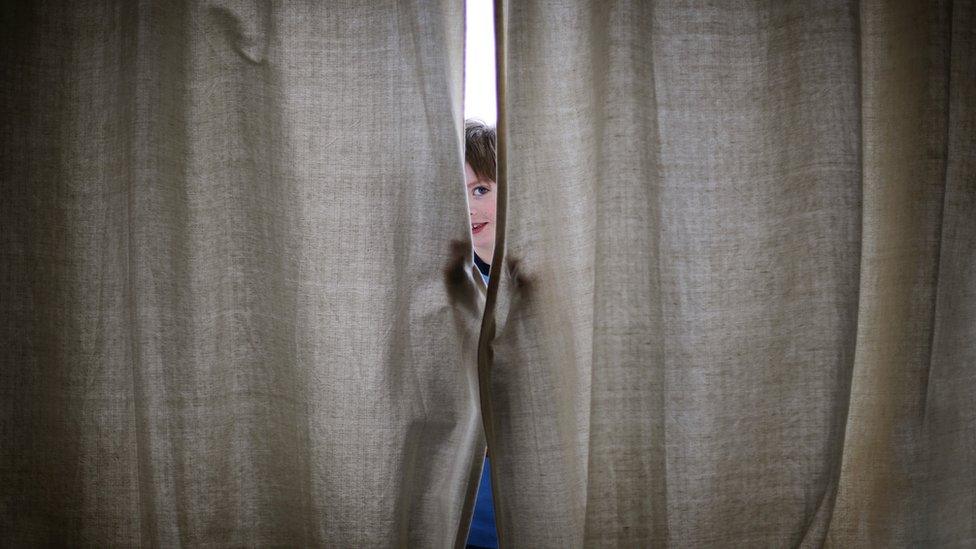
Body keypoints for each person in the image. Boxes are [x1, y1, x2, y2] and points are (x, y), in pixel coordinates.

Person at [464, 120, 498, 549]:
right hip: (468, 521)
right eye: (460, 192)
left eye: (481, 190)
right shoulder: (452, 289)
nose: (469, 207)